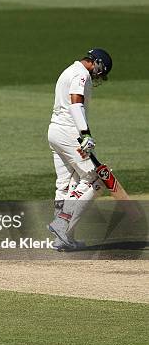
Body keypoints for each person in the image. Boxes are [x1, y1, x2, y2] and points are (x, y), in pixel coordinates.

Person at [47, 48, 113, 250]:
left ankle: (63, 238)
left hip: (55, 131)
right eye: (100, 71)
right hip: (70, 133)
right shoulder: (81, 74)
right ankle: (62, 223)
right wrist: (85, 133)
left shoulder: (69, 70)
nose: (98, 76)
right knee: (97, 179)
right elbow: (76, 102)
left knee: (67, 184)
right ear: (98, 64)